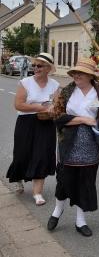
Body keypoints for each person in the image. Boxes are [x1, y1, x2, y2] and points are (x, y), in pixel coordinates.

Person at [47, 58, 99, 237]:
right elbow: (57, 117)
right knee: (64, 179)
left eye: (81, 73)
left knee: (85, 182)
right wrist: (82, 119)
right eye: (75, 73)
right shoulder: (68, 91)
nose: (76, 75)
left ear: (89, 76)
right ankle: (57, 210)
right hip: (68, 142)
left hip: (91, 143)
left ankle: (80, 220)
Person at [6, 53, 59, 205]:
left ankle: (37, 193)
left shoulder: (54, 84)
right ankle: (18, 178)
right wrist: (38, 106)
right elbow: (18, 105)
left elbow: (56, 104)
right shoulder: (25, 82)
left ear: (48, 68)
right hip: (26, 122)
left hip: (46, 123)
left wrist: (54, 108)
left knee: (42, 155)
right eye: (34, 65)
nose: (36, 68)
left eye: (40, 65)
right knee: (22, 154)